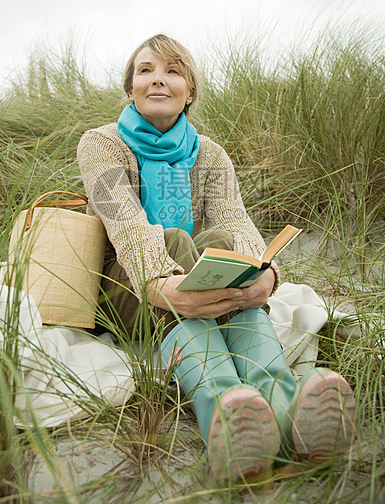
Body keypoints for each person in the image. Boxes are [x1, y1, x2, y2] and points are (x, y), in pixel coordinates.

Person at [77, 34, 356, 482]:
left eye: (172, 71)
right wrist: (161, 283)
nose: (157, 80)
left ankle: (287, 413)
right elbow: (127, 225)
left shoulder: (209, 154)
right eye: (145, 71)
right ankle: (222, 414)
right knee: (175, 243)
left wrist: (265, 274)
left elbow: (237, 222)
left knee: (224, 241)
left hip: (189, 283)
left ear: (190, 90)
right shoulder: (101, 144)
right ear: (130, 88)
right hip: (126, 287)